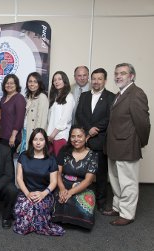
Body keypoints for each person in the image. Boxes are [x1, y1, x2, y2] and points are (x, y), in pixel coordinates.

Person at [103, 63, 150, 226]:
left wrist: (140, 142)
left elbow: (143, 123)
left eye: (123, 73)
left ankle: (127, 214)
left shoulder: (136, 93)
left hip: (127, 146)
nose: (118, 76)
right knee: (115, 180)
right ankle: (118, 207)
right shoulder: (119, 94)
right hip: (114, 146)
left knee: (128, 182)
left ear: (132, 76)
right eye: (116, 73)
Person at [75, 68, 115, 212]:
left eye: (100, 78)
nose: (96, 81)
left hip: (100, 140)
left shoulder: (111, 97)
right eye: (94, 78)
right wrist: (88, 129)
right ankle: (82, 199)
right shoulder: (84, 95)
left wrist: (95, 128)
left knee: (101, 174)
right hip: (84, 140)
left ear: (105, 80)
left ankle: (101, 203)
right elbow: (79, 114)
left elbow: (110, 117)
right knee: (82, 172)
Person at [13, 128, 64, 236]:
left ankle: (34, 223)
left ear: (45, 141)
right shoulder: (23, 156)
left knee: (37, 207)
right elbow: (19, 178)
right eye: (35, 139)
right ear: (31, 141)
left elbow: (54, 182)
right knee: (24, 210)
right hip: (26, 192)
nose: (38, 142)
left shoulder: (51, 159)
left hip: (45, 193)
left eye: (41, 139)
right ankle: (29, 223)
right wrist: (27, 194)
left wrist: (42, 194)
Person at [52, 126, 98, 230]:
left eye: (79, 136)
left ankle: (75, 221)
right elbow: (58, 173)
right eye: (73, 136)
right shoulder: (64, 150)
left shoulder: (93, 155)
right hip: (63, 183)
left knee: (83, 204)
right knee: (56, 199)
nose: (76, 139)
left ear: (86, 138)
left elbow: (88, 180)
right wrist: (63, 189)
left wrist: (70, 192)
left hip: (82, 186)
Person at [19, 72, 49, 154]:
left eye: (35, 82)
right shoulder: (29, 97)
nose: (32, 84)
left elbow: (41, 121)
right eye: (30, 81)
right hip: (25, 132)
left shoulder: (42, 97)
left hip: (34, 134)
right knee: (23, 158)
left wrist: (37, 138)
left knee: (31, 158)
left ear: (39, 84)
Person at [47, 71, 75, 157]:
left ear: (65, 81)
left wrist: (52, 135)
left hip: (60, 136)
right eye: (54, 80)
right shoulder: (54, 97)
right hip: (50, 136)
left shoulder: (69, 97)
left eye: (59, 79)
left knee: (59, 164)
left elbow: (64, 120)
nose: (56, 81)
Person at [0, 74, 26, 154]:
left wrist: (13, 136)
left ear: (16, 85)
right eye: (7, 83)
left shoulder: (19, 98)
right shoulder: (3, 98)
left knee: (7, 161)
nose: (9, 85)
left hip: (11, 136)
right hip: (1, 135)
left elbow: (19, 119)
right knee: (2, 161)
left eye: (12, 83)